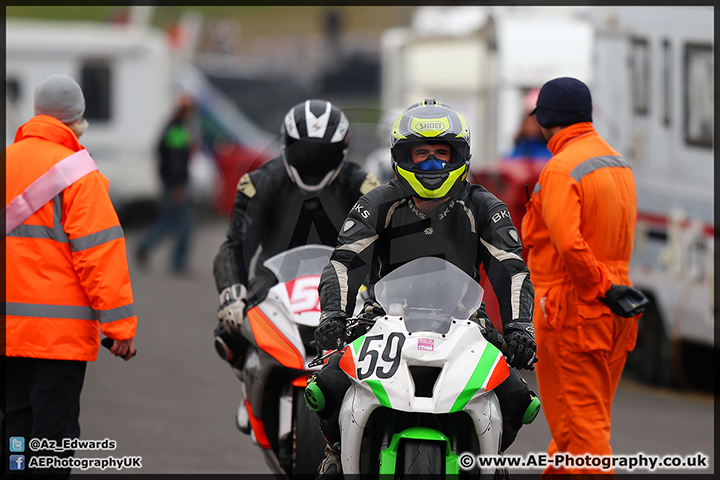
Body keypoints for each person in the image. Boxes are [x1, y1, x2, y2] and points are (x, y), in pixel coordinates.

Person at [307, 99, 540, 479]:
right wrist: (333, 313)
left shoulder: (485, 207)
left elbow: (512, 270)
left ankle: (490, 463)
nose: (431, 165)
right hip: (381, 317)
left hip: (468, 321)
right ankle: (336, 453)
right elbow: (344, 262)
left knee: (519, 400)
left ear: (459, 156)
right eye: (421, 155)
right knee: (325, 387)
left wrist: (520, 328)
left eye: (440, 155)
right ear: (402, 156)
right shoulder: (376, 203)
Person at [211, 99, 380, 431]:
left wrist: (379, 290)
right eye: (305, 152)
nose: (313, 162)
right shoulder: (260, 182)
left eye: (323, 153)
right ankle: (250, 385)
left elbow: (381, 244)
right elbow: (235, 245)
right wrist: (233, 292)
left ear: (343, 149)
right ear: (286, 145)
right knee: (228, 331)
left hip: (344, 279)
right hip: (273, 278)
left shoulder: (363, 186)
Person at [2, 74, 137, 477]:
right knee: (53, 440)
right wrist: (120, 327)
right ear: (76, 120)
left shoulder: (6, 161)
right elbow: (99, 255)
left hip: (8, 334)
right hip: (57, 339)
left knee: (14, 429)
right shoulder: (80, 176)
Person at [521, 77, 647, 477]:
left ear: (545, 119)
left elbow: (568, 244)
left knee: (584, 432)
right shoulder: (616, 162)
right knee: (576, 434)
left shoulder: (561, 169)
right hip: (616, 311)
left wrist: (598, 287)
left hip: (573, 308)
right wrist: (610, 288)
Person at [136, 93, 198, 274]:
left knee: (171, 219)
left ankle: (145, 246)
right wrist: (178, 185)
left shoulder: (174, 126)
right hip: (176, 184)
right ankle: (177, 261)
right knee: (182, 223)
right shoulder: (178, 129)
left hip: (171, 182)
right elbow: (175, 159)